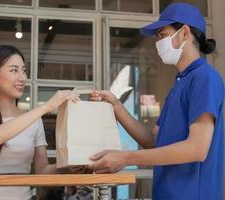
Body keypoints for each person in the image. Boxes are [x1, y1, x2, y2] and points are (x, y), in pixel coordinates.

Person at [88, 3, 224, 200]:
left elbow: (197, 148)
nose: (158, 43)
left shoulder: (205, 78)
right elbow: (153, 141)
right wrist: (116, 105)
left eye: (162, 35)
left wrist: (126, 158)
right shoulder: (180, 83)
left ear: (184, 32)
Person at [0, 45, 81, 200]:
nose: (22, 77)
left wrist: (68, 167)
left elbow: (42, 171)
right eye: (14, 70)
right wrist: (46, 107)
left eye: (23, 70)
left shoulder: (34, 121)